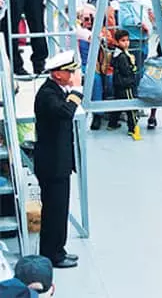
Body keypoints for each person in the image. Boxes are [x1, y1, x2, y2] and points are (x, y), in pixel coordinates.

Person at [33, 50, 82, 268]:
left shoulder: (56, 90)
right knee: (53, 210)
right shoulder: (47, 94)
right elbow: (65, 112)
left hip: (59, 163)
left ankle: (58, 249)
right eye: (67, 71)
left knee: (60, 209)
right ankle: (51, 254)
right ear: (57, 74)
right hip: (52, 165)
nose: (71, 75)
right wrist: (76, 93)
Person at [108, 29, 141, 140]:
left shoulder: (117, 54)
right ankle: (132, 128)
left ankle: (112, 123)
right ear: (117, 42)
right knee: (130, 107)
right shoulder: (123, 56)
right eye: (123, 41)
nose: (126, 43)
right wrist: (132, 65)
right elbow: (126, 71)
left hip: (118, 84)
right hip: (126, 84)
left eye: (127, 40)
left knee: (118, 104)